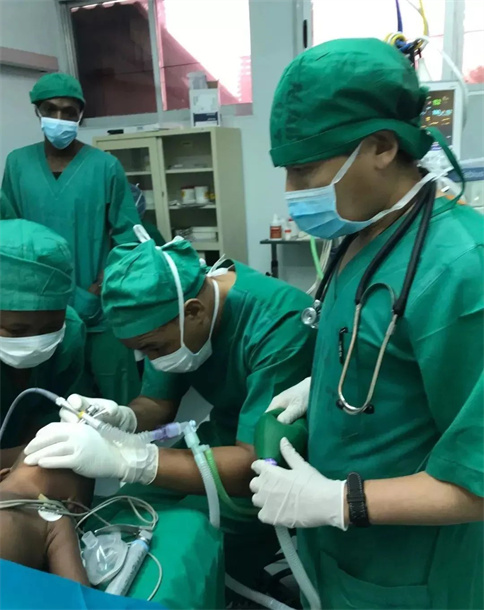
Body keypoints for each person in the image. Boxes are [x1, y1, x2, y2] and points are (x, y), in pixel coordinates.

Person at [247, 38, 484, 609]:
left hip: (413, 575)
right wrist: (324, 385)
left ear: (381, 146)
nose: (292, 192)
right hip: (342, 559)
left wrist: (340, 503)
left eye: (305, 169)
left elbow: (477, 479)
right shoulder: (361, 233)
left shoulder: (460, 268)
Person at [23, 236, 316, 585]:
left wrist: (132, 461)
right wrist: (120, 418)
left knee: (180, 546)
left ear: (194, 311)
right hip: (223, 440)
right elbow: (156, 404)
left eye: (153, 348)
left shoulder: (279, 324)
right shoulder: (169, 316)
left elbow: (257, 465)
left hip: (281, 463)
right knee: (118, 513)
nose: (150, 359)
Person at [2, 72, 141, 405]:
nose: (59, 118)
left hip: (99, 306)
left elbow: (129, 236)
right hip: (39, 307)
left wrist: (101, 285)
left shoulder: (105, 166)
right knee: (55, 399)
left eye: (69, 111)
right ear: (38, 111)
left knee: (119, 399)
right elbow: (7, 234)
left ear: (80, 114)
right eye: (51, 109)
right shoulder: (18, 164)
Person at [0, 219, 85, 459]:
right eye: (17, 330)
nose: (36, 343)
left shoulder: (71, 332)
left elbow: (54, 419)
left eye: (51, 327)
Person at [0, 451, 93, 584]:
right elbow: (76, 591)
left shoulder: (54, 519)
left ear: (3, 474)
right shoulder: (55, 518)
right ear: (75, 508)